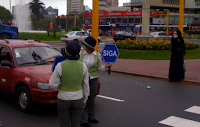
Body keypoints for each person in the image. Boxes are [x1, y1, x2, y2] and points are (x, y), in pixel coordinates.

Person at [49, 41, 90, 127]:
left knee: (64, 124)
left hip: (63, 98)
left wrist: (60, 87)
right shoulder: (83, 66)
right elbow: (86, 85)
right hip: (78, 98)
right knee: (76, 124)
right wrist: (85, 99)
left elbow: (52, 84)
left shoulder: (60, 66)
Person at [80, 36, 112, 127]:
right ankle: (82, 120)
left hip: (93, 78)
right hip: (83, 78)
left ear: (89, 46)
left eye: (85, 45)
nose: (83, 47)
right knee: (83, 98)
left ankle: (91, 117)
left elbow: (100, 68)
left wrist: (107, 66)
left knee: (91, 98)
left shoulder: (97, 55)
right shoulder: (81, 54)